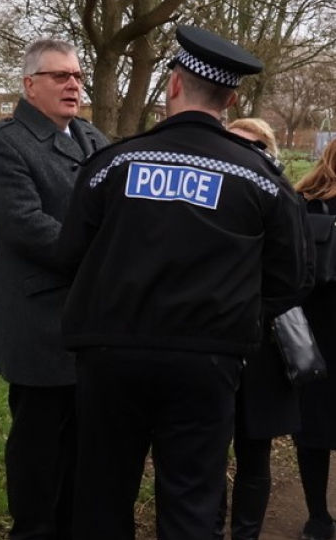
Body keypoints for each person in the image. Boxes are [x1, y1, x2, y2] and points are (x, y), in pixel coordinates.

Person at [54, 26, 308, 540]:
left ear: (172, 86)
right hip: (206, 361)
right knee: (192, 501)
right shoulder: (263, 179)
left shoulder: (112, 165)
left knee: (101, 495)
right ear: (231, 98)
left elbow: (69, 256)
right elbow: (290, 279)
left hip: (111, 354)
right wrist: (234, 313)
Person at [0, 38, 109, 540]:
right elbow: (25, 225)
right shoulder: (5, 142)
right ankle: (32, 528)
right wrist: (104, 257)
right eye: (60, 76)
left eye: (77, 76)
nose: (73, 84)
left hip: (91, 316)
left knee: (84, 438)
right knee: (39, 440)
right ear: (30, 86)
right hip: (39, 318)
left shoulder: (93, 138)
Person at [213, 118, 306, 540]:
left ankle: (246, 534)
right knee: (208, 451)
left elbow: (295, 274)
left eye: (252, 148)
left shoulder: (283, 198)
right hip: (212, 340)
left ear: (268, 153)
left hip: (262, 341)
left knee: (255, 450)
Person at [294, 138, 336, 540]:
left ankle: (318, 518)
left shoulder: (303, 202)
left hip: (314, 334)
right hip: (320, 330)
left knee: (313, 428)